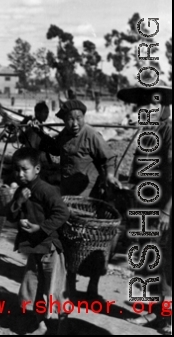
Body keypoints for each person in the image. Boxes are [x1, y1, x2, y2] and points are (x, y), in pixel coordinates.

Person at [30, 99, 123, 299]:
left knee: (95, 243)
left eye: (78, 118)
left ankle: (92, 289)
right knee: (70, 241)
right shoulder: (64, 135)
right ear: (63, 121)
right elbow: (54, 149)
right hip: (68, 198)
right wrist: (39, 132)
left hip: (89, 199)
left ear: (84, 117)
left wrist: (110, 176)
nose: (74, 123)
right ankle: (70, 286)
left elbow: (109, 158)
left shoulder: (91, 135)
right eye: (69, 119)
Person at [117, 86, 172, 335]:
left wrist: (167, 212)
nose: (148, 110)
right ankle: (155, 311)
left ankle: (169, 317)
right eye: (145, 106)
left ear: (163, 109)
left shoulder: (169, 132)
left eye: (153, 106)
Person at [8, 147, 70, 335]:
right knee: (34, 287)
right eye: (17, 169)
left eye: (24, 169)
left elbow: (62, 213)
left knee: (55, 289)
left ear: (37, 169)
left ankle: (62, 325)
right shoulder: (21, 191)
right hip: (34, 249)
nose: (20, 174)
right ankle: (40, 324)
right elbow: (10, 216)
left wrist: (40, 229)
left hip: (50, 249)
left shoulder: (46, 190)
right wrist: (18, 202)